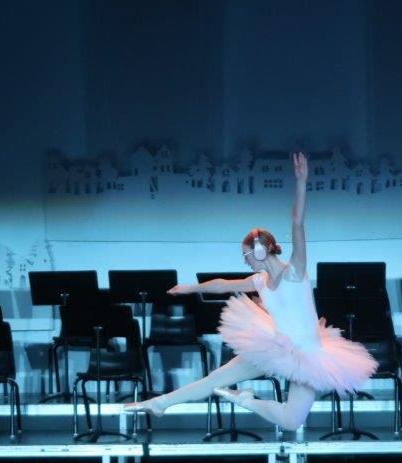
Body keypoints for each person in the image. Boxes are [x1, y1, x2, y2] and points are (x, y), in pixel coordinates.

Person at [124, 152, 377, 430]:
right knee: (215, 379)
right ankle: (160, 403)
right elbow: (221, 284)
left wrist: (302, 183)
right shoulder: (259, 280)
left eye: (247, 254)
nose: (244, 259)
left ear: (261, 248)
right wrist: (189, 288)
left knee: (292, 422)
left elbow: (297, 224)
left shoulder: (296, 270)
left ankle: (245, 400)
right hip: (275, 347)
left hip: (310, 356)